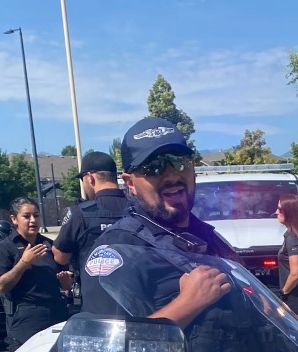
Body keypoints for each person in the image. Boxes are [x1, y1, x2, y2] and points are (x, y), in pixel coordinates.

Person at [79, 116, 235, 325]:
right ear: (130, 183)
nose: (171, 175)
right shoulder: (118, 249)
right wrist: (188, 304)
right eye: (154, 167)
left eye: (180, 162)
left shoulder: (210, 239)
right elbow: (104, 347)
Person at [0, 196, 73, 349]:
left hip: (55, 314)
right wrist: (24, 262)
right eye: (26, 216)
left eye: (36, 215)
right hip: (26, 319)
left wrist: (66, 283)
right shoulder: (6, 247)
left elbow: (66, 281)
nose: (33, 220)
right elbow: (1, 286)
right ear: (14, 219)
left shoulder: (49, 245)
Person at [53, 150, 130, 274]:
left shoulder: (80, 213)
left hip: (94, 289)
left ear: (90, 178)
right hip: (136, 288)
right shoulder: (139, 208)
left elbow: (60, 257)